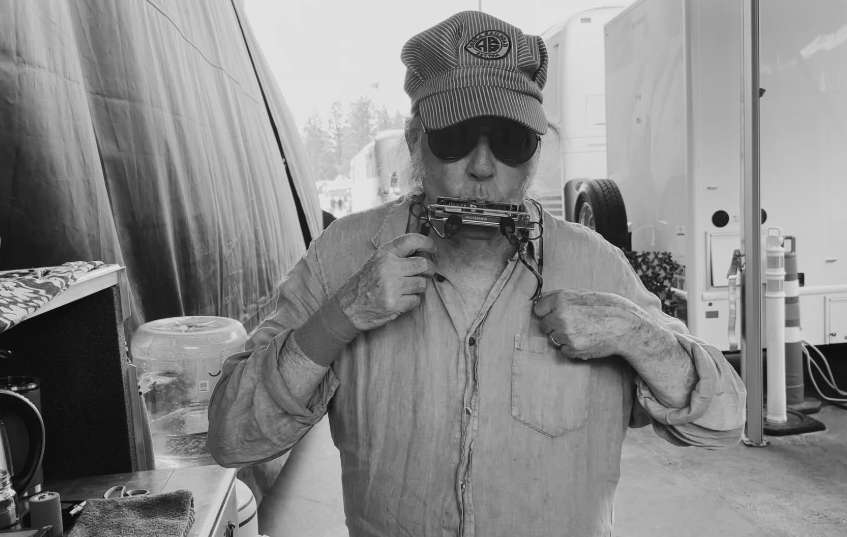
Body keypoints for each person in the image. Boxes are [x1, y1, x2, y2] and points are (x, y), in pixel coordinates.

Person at [208, 11, 746, 537]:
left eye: (511, 141)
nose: (483, 167)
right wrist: (340, 317)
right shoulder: (344, 255)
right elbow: (233, 436)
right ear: (416, 140)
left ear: (536, 150)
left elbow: (722, 421)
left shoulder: (597, 266)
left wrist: (633, 333)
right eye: (456, 136)